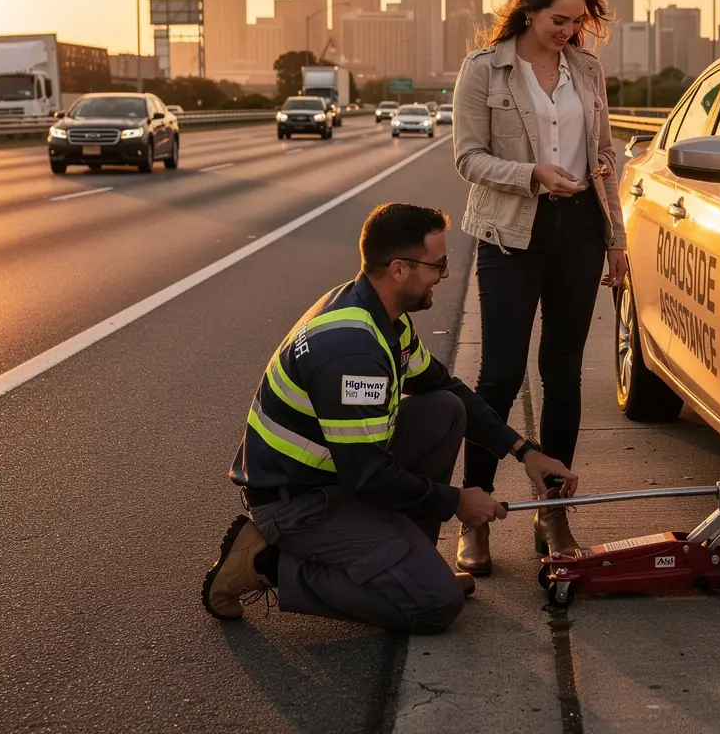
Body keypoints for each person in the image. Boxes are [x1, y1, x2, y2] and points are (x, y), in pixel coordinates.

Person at [201, 202, 577, 634]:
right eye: (439, 264)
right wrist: (456, 502)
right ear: (399, 270)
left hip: (335, 476)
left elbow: (444, 386)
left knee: (444, 409)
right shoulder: (353, 352)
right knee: (437, 604)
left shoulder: (380, 316)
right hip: (299, 504)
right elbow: (369, 477)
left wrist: (524, 452)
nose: (446, 274)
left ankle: (405, 562)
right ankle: (270, 563)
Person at [451, 0, 627, 576]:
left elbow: (605, 152)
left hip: (579, 230)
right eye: (559, 19)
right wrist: (531, 175)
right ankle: (475, 515)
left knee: (563, 373)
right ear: (528, 9)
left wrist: (616, 239)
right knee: (497, 375)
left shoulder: (587, 68)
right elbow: (468, 159)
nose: (569, 31)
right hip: (510, 232)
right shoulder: (483, 70)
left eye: (579, 21)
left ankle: (554, 512)